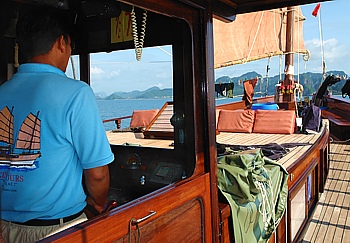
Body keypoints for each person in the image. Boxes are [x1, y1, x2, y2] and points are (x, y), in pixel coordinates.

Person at [0, 6, 114, 242]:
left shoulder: (2, 92)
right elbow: (98, 174)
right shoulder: (77, 93)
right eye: (70, 45)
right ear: (62, 42)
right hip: (57, 231)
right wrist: (99, 205)